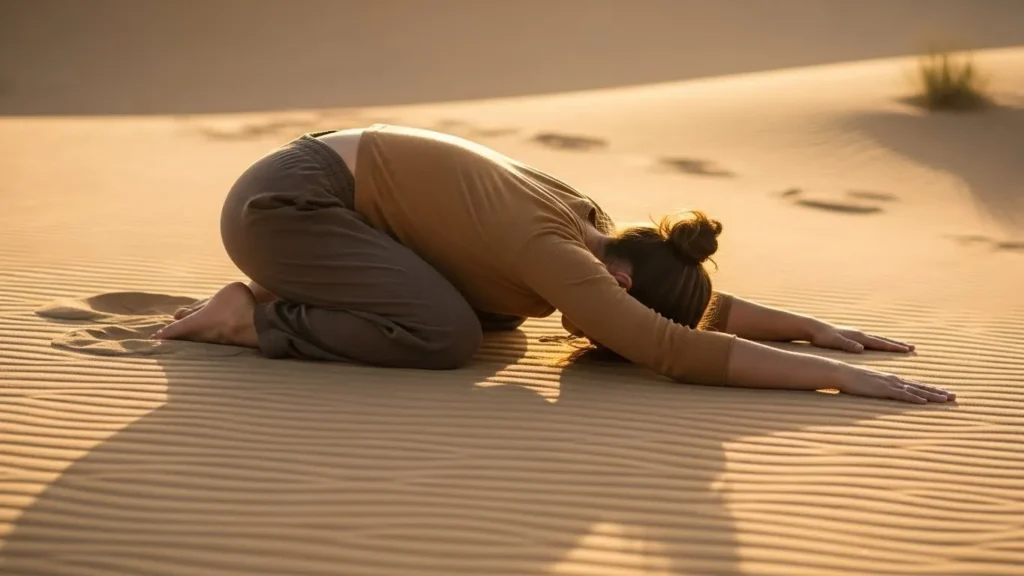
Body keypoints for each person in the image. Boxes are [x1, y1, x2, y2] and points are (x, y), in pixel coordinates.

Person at [155, 124, 955, 405]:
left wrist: (810, 328)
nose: (601, 337)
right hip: (287, 210)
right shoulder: (558, 254)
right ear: (622, 283)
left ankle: (292, 293)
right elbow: (673, 346)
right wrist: (839, 378)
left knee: (501, 314)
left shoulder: (598, 233)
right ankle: (250, 317)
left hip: (316, 193)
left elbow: (680, 313)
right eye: (617, 321)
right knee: (445, 337)